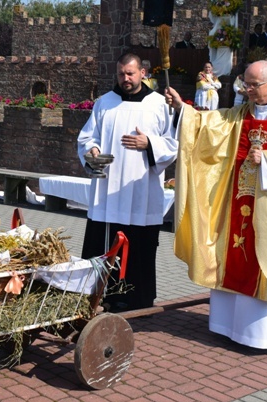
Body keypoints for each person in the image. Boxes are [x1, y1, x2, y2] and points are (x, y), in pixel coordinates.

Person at [165, 60, 267, 349]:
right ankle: (229, 327)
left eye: (253, 85)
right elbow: (210, 124)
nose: (247, 90)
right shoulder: (240, 114)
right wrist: (183, 110)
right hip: (237, 201)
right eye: (245, 84)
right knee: (233, 251)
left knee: (264, 261)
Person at [77, 52, 177, 311]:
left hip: (141, 191)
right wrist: (92, 151)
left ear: (143, 73)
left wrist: (149, 143)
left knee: (140, 247)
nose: (125, 79)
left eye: (130, 73)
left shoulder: (159, 104)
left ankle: (139, 301)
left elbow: (173, 143)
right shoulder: (104, 103)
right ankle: (98, 298)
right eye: (121, 74)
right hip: (107, 193)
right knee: (103, 246)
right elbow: (87, 137)